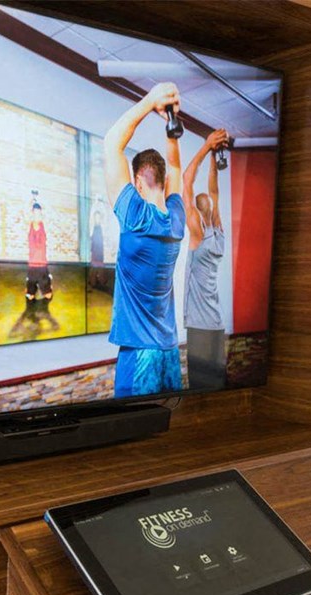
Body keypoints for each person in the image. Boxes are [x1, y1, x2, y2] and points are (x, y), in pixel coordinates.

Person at [103, 82, 186, 398]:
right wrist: (171, 127)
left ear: (137, 183)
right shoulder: (176, 219)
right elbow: (176, 165)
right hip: (168, 352)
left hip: (139, 354)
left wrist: (151, 101)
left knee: (130, 438)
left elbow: (113, 143)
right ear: (164, 182)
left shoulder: (135, 217)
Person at [183, 129, 230, 390]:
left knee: (200, 391)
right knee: (217, 387)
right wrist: (214, 156)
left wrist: (206, 145)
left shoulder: (198, 236)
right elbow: (214, 190)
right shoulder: (218, 233)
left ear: (196, 217)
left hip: (200, 330)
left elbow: (187, 180)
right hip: (216, 325)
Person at [25, 190, 53, 302]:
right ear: (32, 214)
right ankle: (30, 287)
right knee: (30, 297)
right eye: (34, 212)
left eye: (39, 213)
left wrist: (39, 199)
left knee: (48, 296)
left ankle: (48, 283)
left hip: (42, 266)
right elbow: (25, 211)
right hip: (32, 265)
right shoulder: (29, 225)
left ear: (41, 214)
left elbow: (49, 210)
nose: (36, 215)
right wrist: (32, 198)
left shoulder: (43, 225)